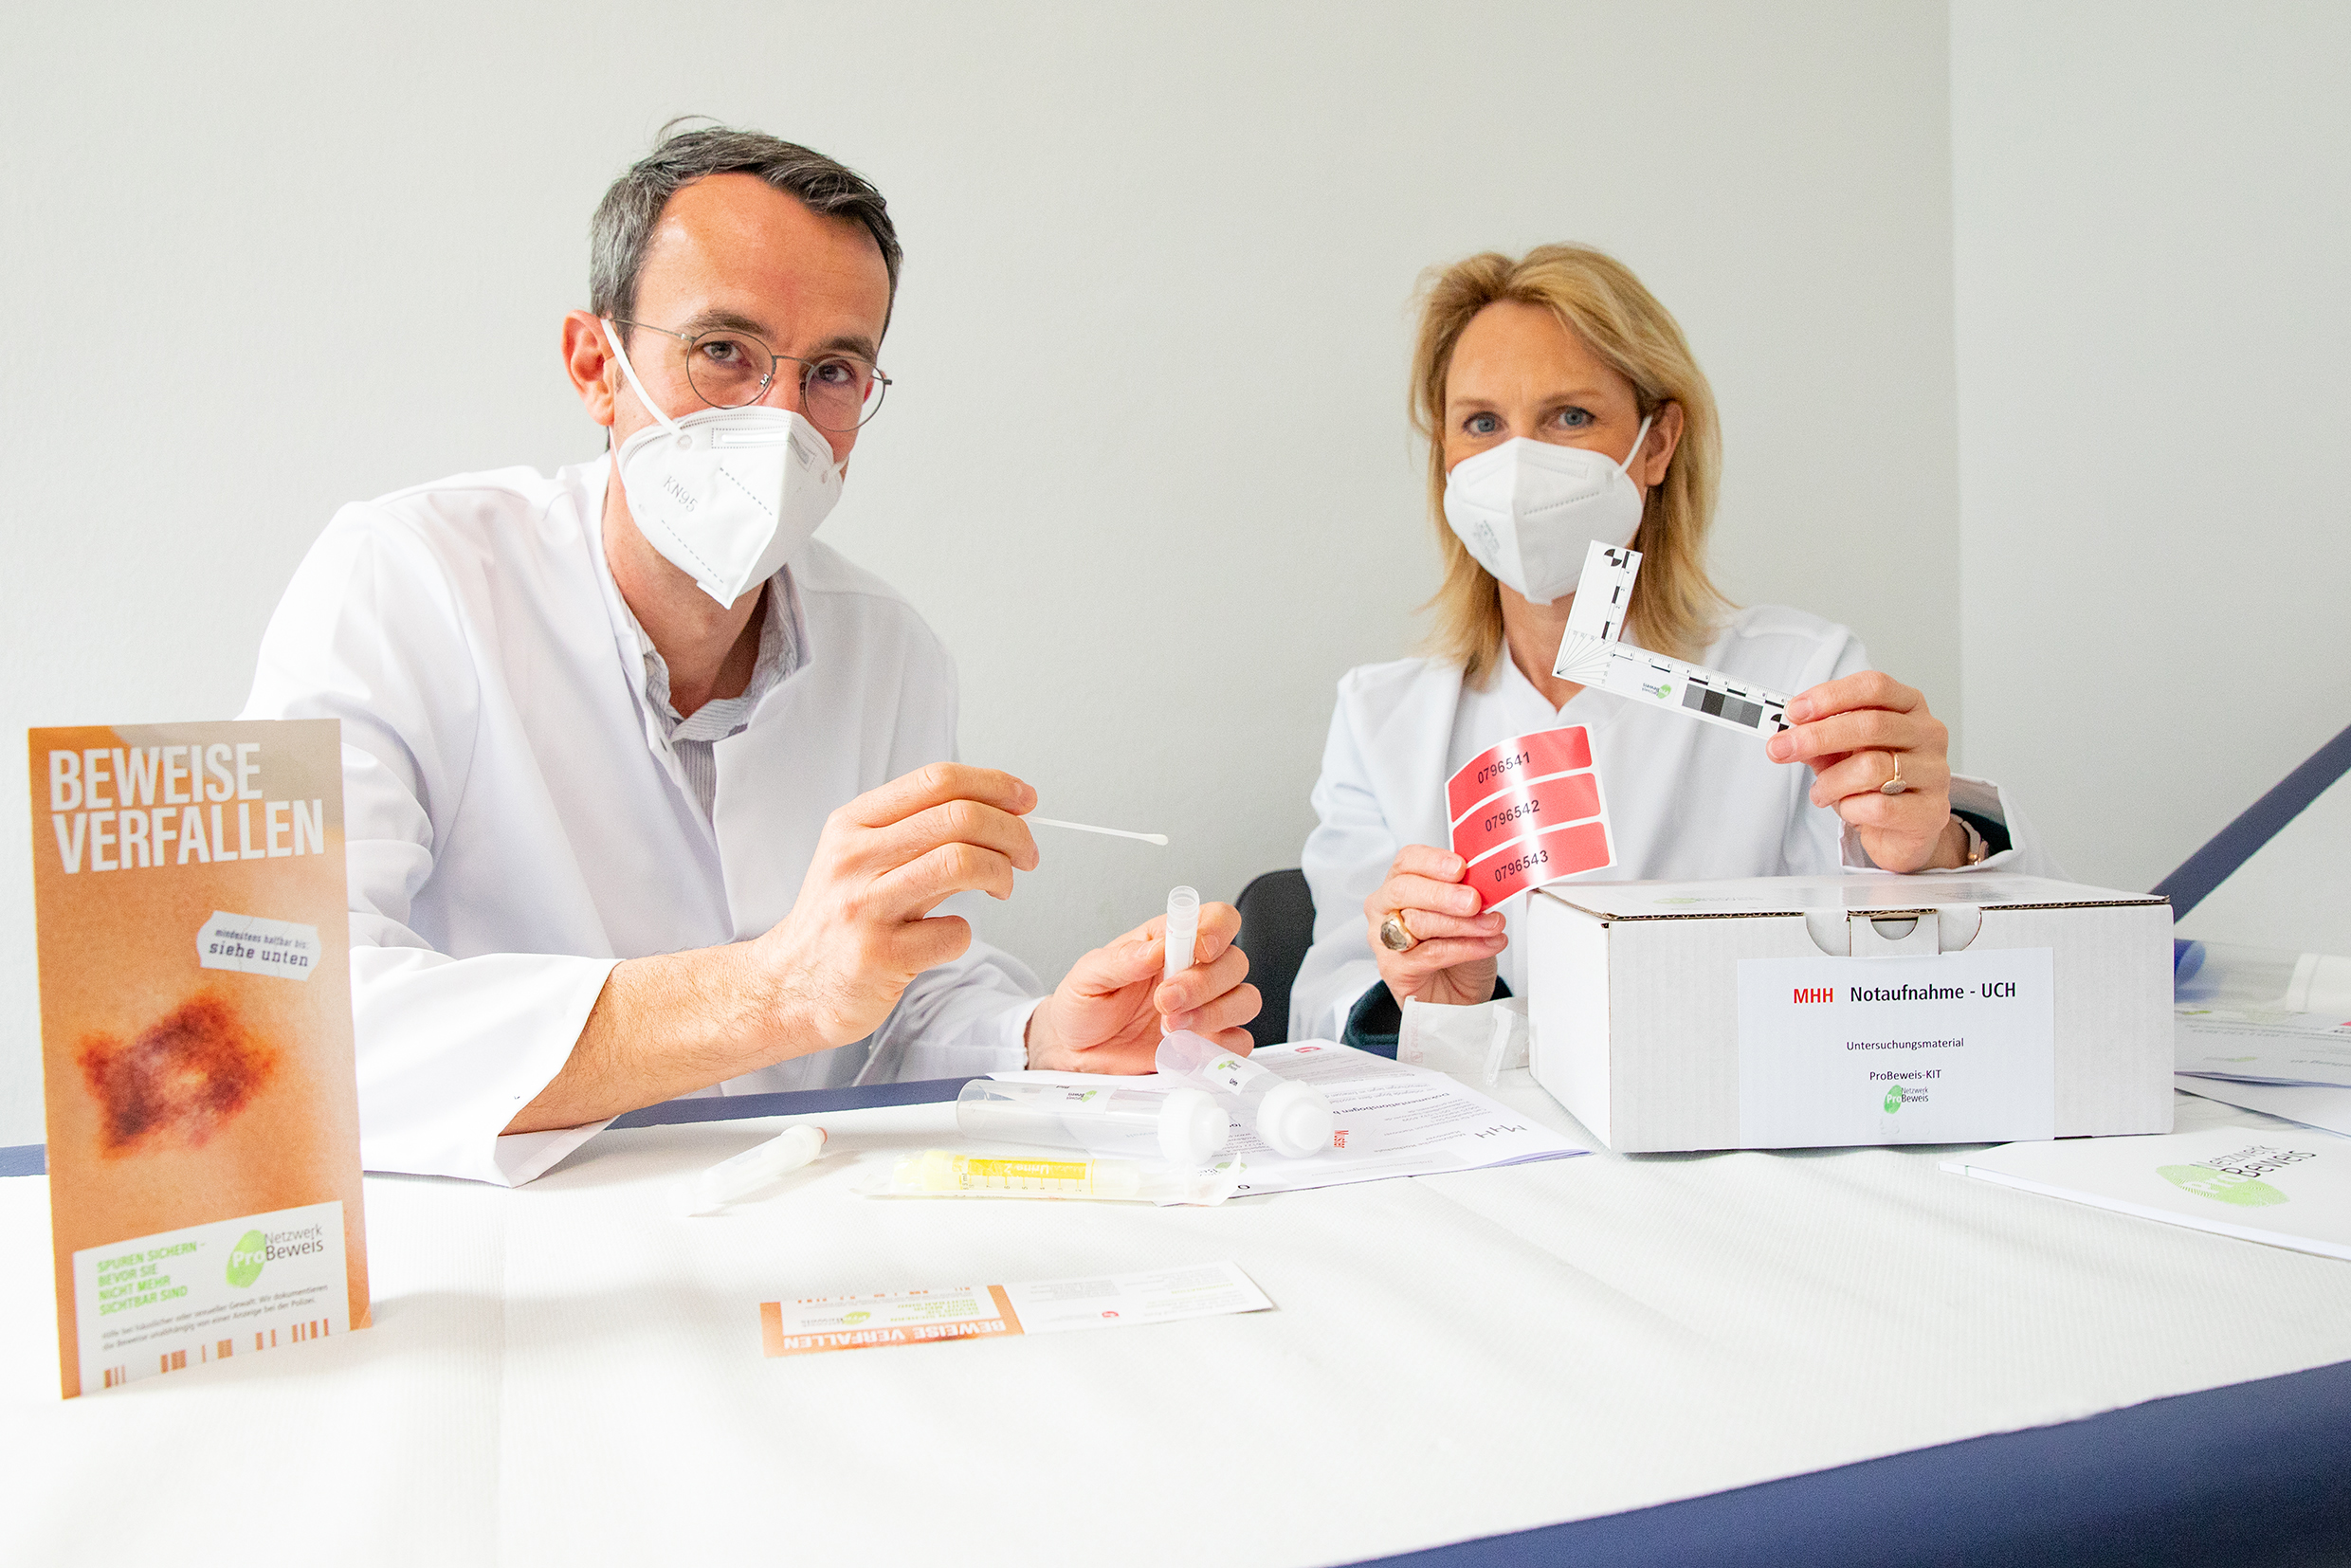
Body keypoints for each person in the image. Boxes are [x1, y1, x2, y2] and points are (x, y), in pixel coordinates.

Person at [242, 124, 1257, 1184]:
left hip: (794, 1233)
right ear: (597, 365)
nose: (780, 421)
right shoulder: (407, 584)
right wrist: (771, 991)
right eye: (723, 350)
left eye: (830, 371)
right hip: (515, 1257)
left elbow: (896, 994)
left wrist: (1041, 1040)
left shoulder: (891, 652)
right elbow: (290, 1016)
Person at [1290, 245, 2061, 1048]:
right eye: (1482, 423)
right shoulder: (1382, 718)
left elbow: (1952, 985)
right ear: (1444, 456)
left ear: (1656, 445)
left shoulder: (1799, 678)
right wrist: (1418, 994)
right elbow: (1328, 1002)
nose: (1517, 464)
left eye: (1570, 417)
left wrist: (1936, 847)